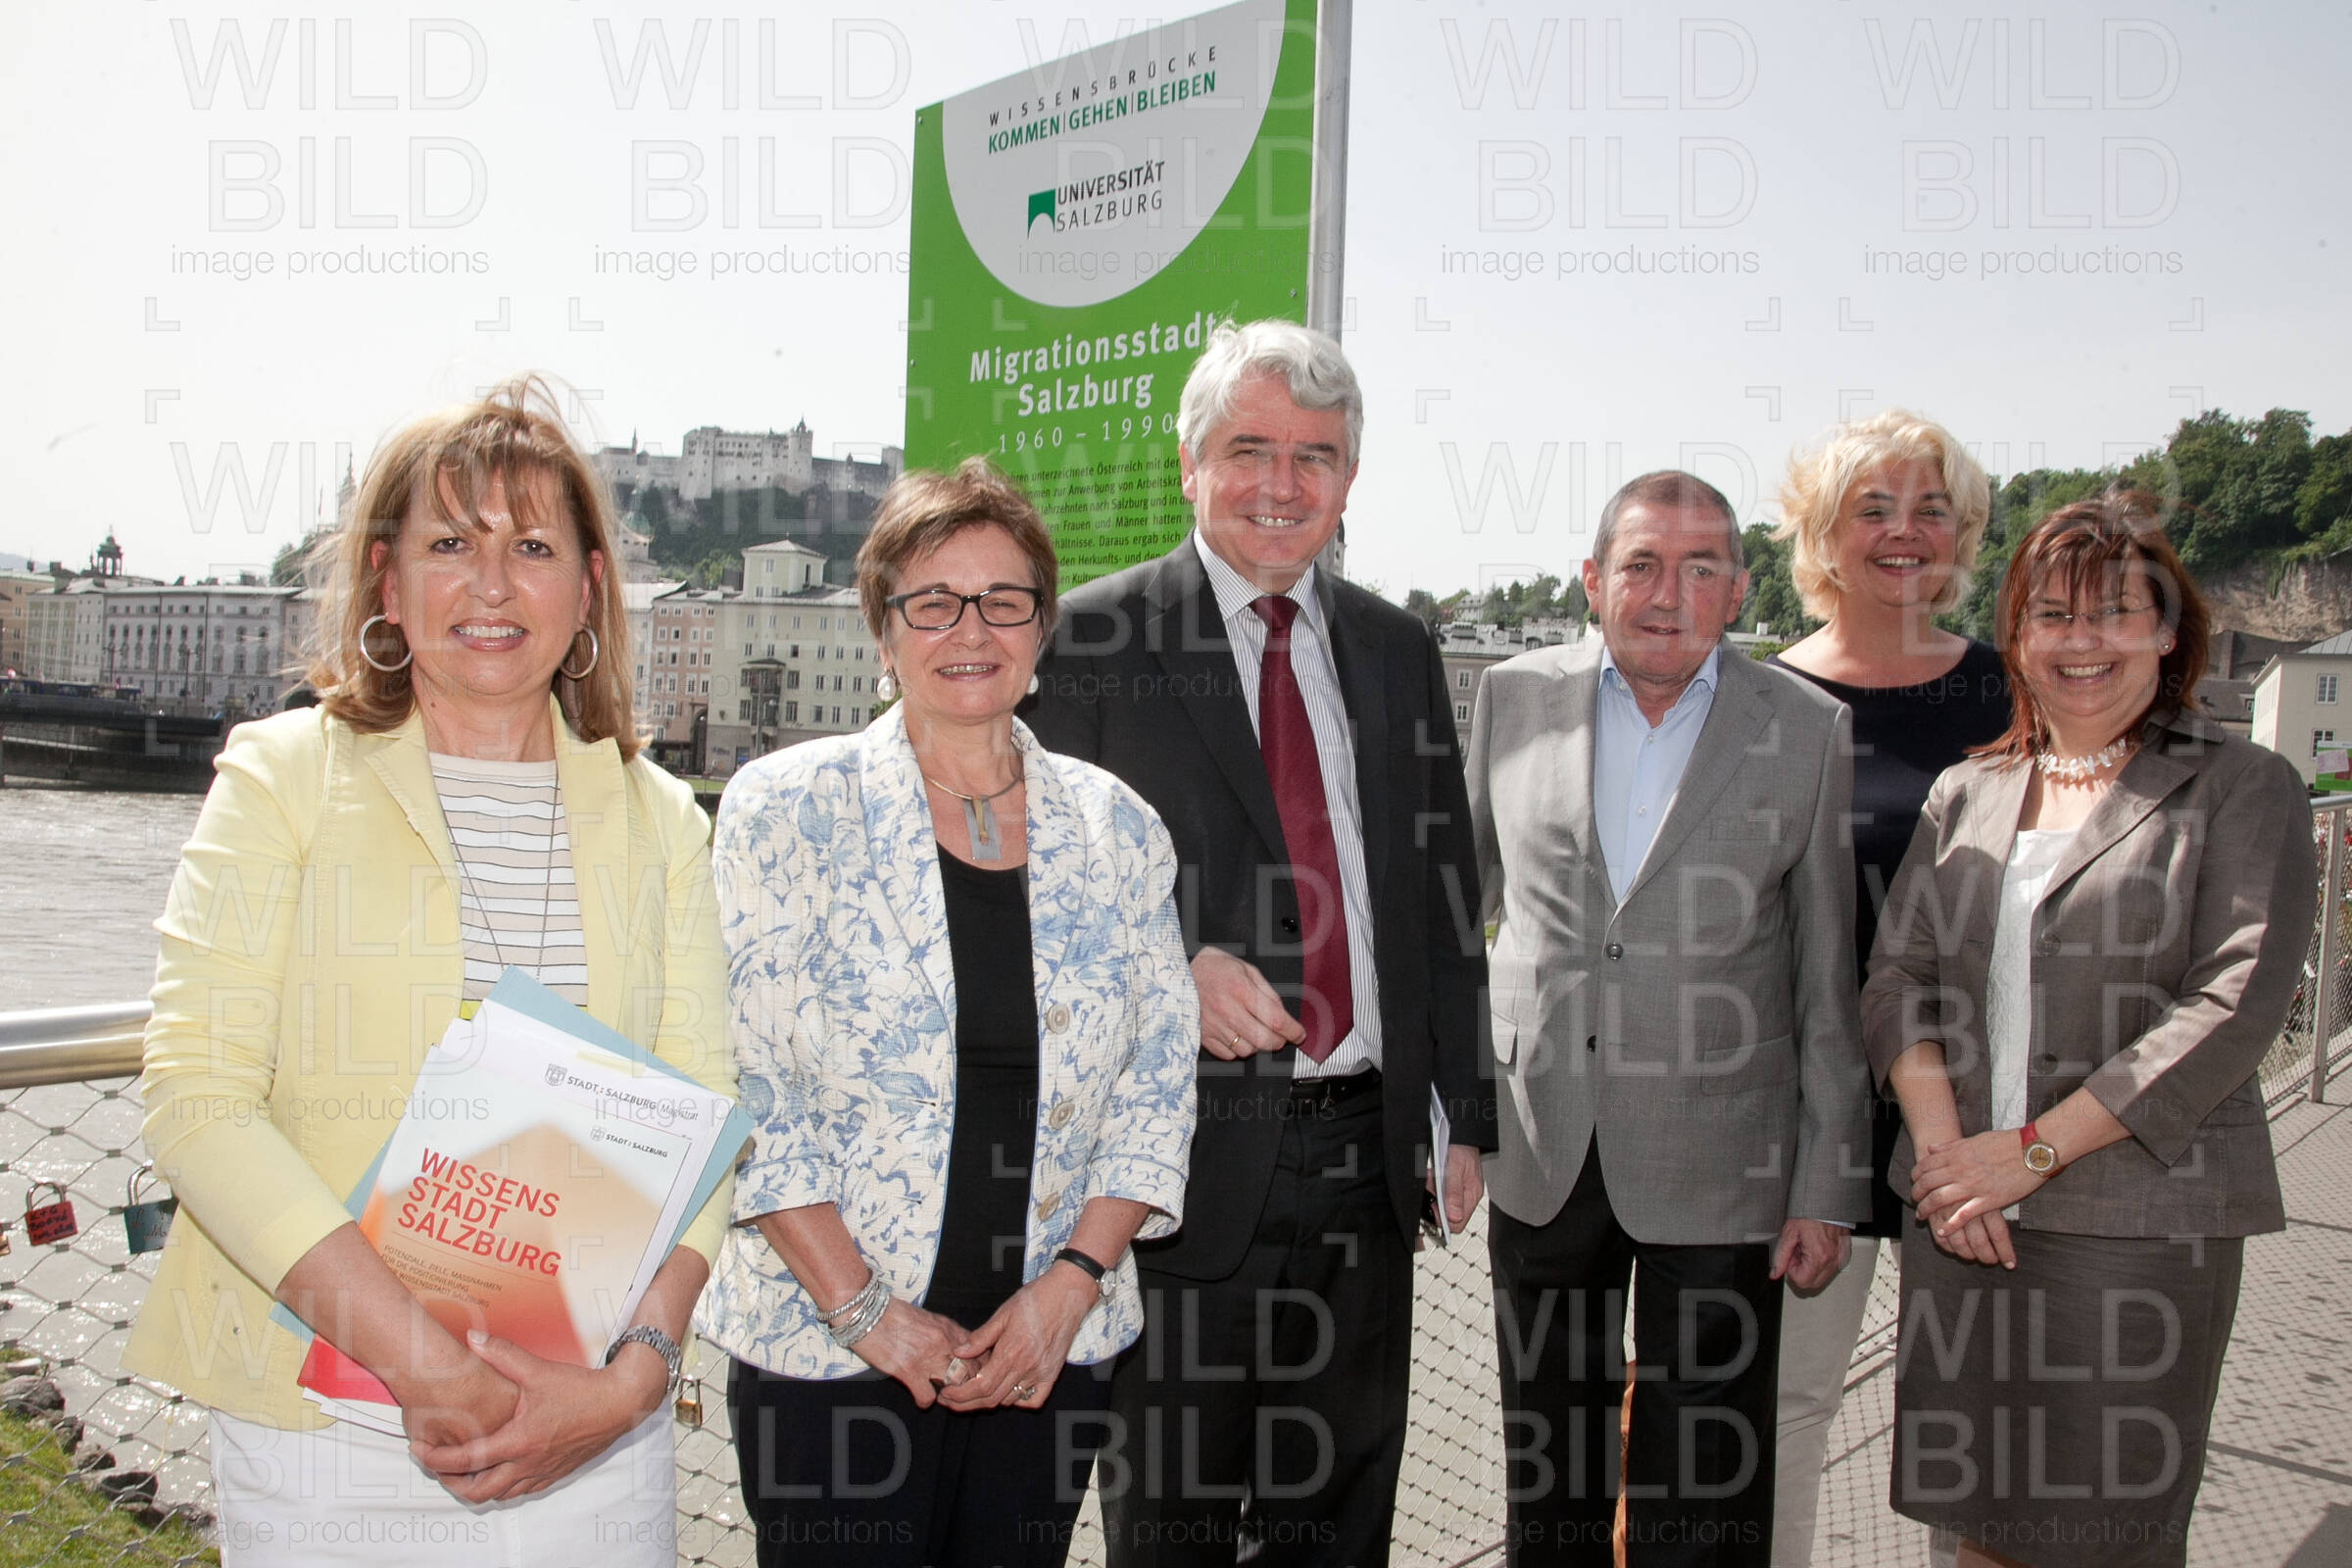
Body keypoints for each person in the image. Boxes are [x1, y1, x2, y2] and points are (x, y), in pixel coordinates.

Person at [127, 378, 733, 1565]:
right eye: (451, 543)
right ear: (387, 580)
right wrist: (429, 1368)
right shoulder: (280, 778)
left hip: (592, 1427)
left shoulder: (662, 819)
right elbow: (197, 1098)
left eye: (533, 547)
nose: (492, 584)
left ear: (589, 589)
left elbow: (704, 1115)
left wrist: (634, 1379)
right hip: (323, 1432)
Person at [1023, 319, 1493, 1567]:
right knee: (1170, 1523)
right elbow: (1032, 897)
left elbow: (1444, 893)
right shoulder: (1088, 642)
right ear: (1189, 464)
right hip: (1174, 1172)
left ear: (1349, 478)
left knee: (1337, 1526)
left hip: (1367, 1168)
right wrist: (1170, 969)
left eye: (1314, 456)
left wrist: (1465, 1107)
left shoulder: (1397, 649)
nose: (1282, 484)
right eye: (1249, 450)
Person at [701, 459, 1199, 1568]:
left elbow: (1159, 1085)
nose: (970, 629)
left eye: (1003, 600)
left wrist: (1070, 1290)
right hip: (831, 1356)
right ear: (884, 631)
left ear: (1041, 627)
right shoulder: (786, 809)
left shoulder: (1119, 827)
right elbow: (747, 1083)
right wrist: (866, 1312)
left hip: (1046, 1354)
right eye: (933, 601)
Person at [1862, 494, 2312, 1568]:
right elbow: (1897, 977)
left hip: (2137, 1223)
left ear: (2168, 629)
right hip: (1965, 1216)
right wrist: (1948, 1163)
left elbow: (2232, 1001)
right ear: (2019, 636)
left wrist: (2030, 1153)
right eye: (2053, 614)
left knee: (2107, 1531)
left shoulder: (2242, 785)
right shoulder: (1966, 791)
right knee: (1976, 1521)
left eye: (2114, 611)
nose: (2082, 640)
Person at [1466, 469, 1872, 1567]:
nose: (1667, 594)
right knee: (1550, 1474)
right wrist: (1453, 1112)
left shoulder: (1807, 727)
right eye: (1641, 564)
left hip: (1727, 1159)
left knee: (1702, 1494)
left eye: (1701, 569)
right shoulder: (1512, 697)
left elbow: (1825, 973)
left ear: (1738, 590)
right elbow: (1457, 916)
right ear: (1593, 579)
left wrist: (1827, 1183)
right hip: (1543, 1143)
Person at [1760, 410, 2008, 1566]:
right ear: (1821, 532)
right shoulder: (1758, 704)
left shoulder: (2021, 694)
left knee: (1980, 1416)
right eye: (1874, 508)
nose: (1905, 532)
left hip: (1989, 1110)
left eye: (1931, 510)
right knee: (1781, 1412)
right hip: (1810, 1116)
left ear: (1964, 534)